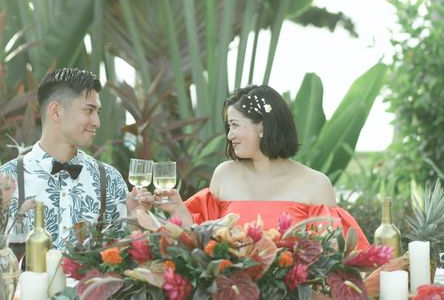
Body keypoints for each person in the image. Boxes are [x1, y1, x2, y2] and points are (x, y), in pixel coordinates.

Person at [155, 84, 369, 250]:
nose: (229, 135)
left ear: (263, 127)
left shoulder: (315, 184)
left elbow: (332, 256)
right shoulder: (224, 174)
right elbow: (199, 242)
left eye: (235, 125)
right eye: (229, 126)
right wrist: (178, 210)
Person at [0, 67, 132, 256]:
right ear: (56, 112)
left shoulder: (110, 181)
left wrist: (136, 221)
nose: (97, 122)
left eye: (98, 112)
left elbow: (125, 259)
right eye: (89, 110)